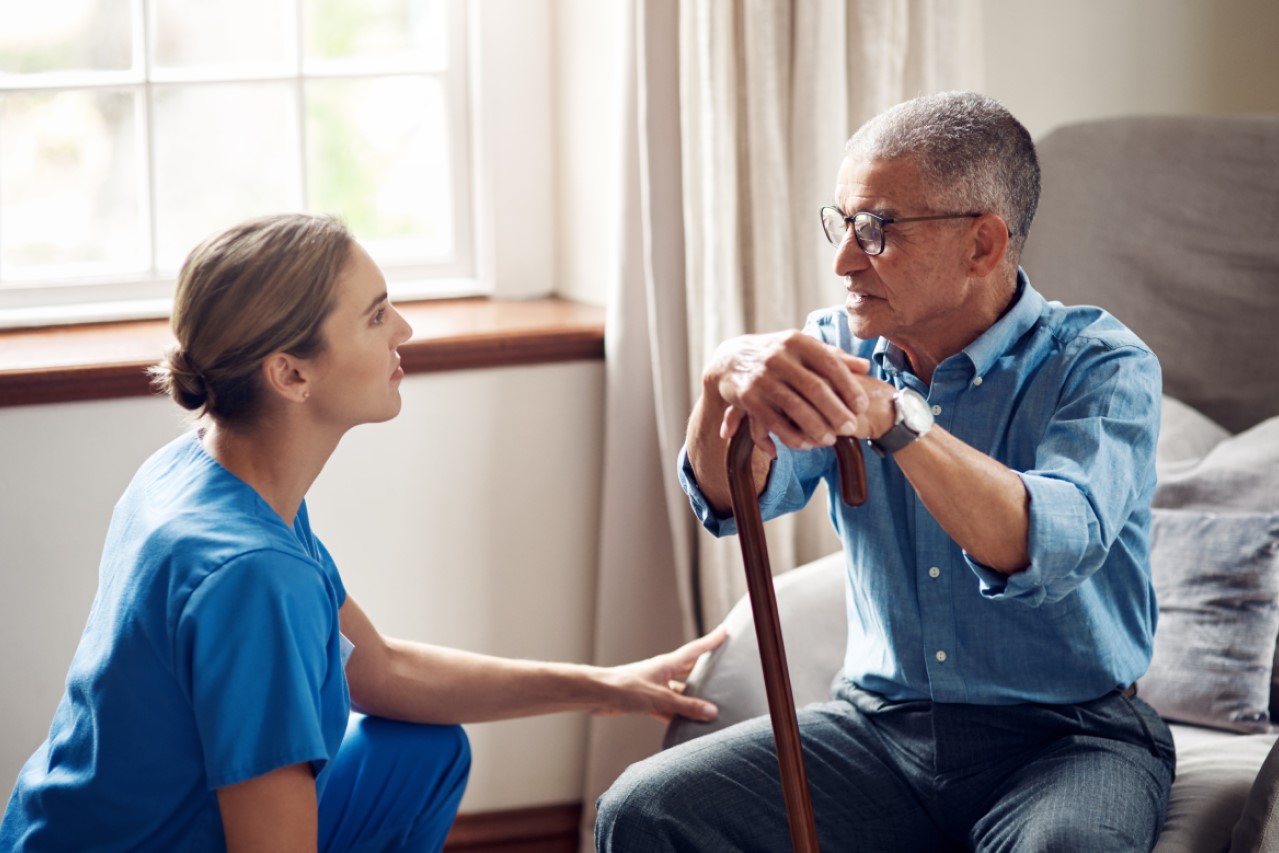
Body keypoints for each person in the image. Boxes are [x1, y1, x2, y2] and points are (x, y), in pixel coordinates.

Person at [0, 213, 724, 852]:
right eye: (376, 316)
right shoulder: (250, 573)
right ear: (290, 373)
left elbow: (378, 671)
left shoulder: (208, 468)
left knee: (419, 749)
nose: (403, 330)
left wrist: (607, 684)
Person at [595, 91, 1175, 852]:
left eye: (875, 230)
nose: (841, 261)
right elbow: (730, 497)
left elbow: (1039, 544)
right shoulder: (836, 344)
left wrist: (896, 419)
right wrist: (718, 382)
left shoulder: (1101, 366)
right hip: (878, 729)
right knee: (643, 809)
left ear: (982, 245)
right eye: (840, 224)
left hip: (1069, 737)